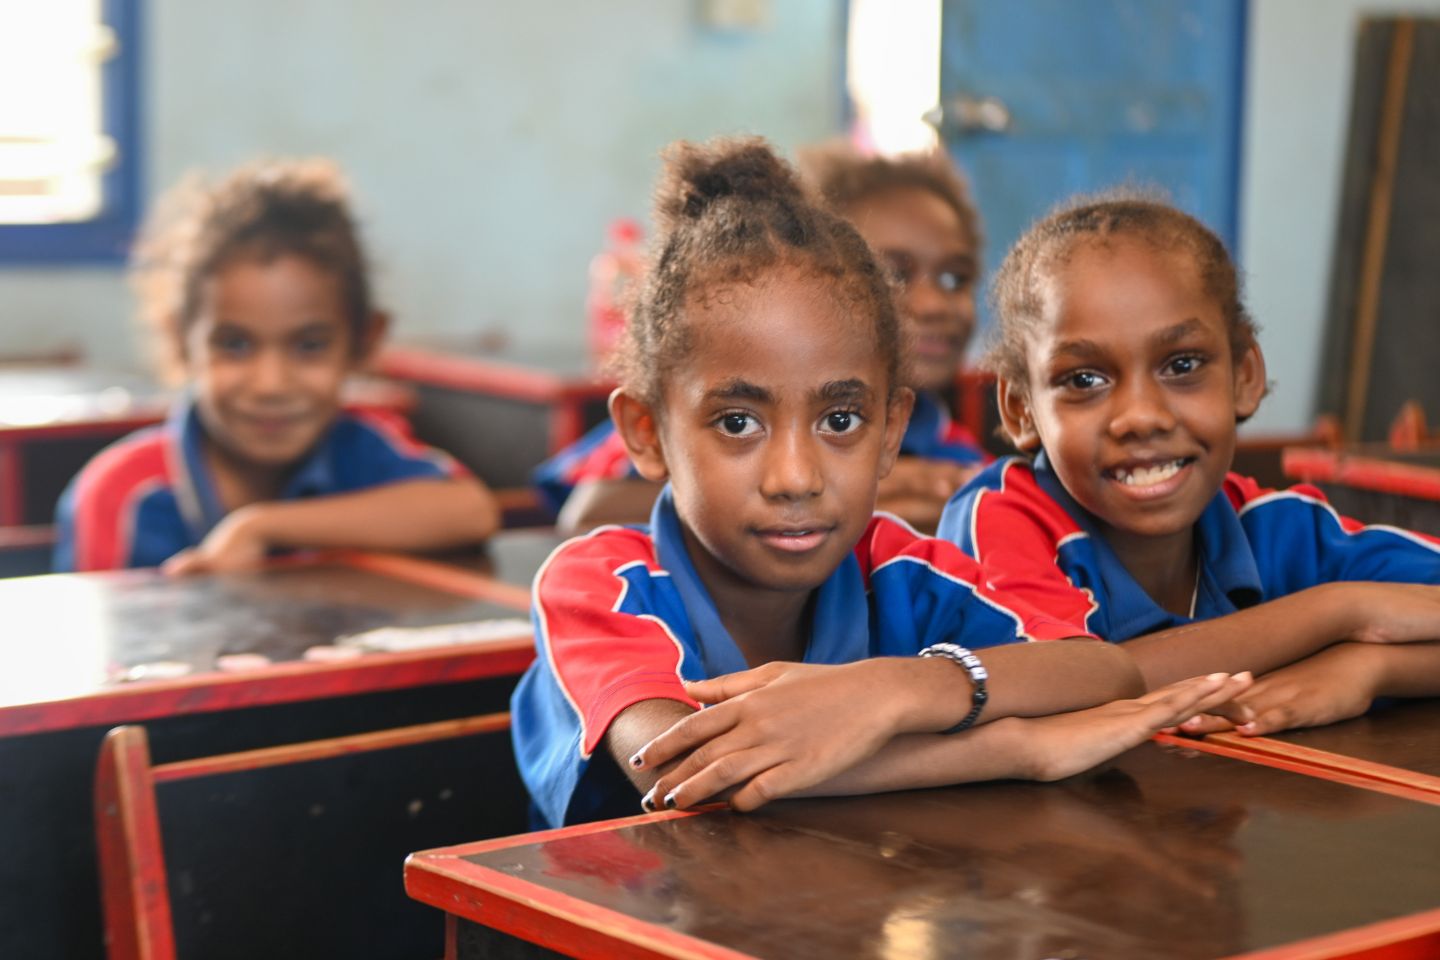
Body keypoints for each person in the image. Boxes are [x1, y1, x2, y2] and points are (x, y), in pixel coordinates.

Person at [510, 139, 1249, 828]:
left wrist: (897, 690)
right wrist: (1014, 750)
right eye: (738, 423)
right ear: (645, 431)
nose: (795, 477)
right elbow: (696, 773)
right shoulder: (597, 582)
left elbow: (1101, 670)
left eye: (840, 420)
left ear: (892, 429)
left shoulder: (896, 566)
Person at [937, 193, 1440, 737]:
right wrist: (1341, 611)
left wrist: (1369, 668)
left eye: (1182, 365)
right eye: (1084, 380)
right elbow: (1054, 692)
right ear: (1021, 409)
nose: (1141, 417)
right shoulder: (999, 521)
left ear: (1244, 376)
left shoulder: (1275, 525)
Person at [54, 159, 500, 573]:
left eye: (309, 346)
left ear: (364, 342)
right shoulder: (121, 495)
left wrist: (261, 526)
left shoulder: (360, 447)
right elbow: (90, 652)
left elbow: (470, 511)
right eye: (234, 345)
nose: (270, 384)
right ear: (180, 342)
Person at [539, 143, 992, 534]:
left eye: (955, 279)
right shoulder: (697, 407)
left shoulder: (944, 440)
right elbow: (586, 512)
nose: (934, 304)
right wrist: (851, 500)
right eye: (892, 275)